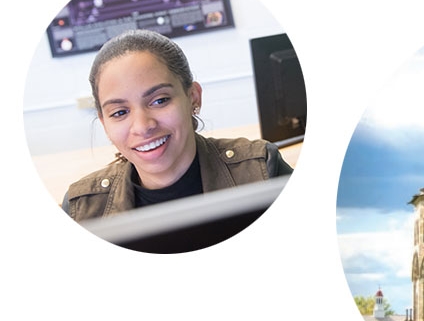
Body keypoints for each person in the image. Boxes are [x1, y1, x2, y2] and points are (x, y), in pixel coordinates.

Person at [61, 29, 294, 246]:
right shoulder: (82, 211)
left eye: (159, 100)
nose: (142, 127)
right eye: (119, 113)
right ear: (104, 123)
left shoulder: (261, 170)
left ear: (193, 98)